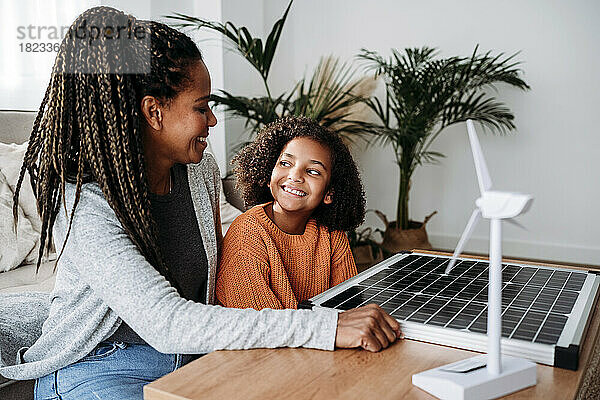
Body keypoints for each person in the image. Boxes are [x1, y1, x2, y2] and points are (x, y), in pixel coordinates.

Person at [0, 7, 401, 400]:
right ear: (154, 112)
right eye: (201, 106)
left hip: (193, 356)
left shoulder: (200, 171)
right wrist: (326, 327)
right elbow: (166, 321)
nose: (211, 121)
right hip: (99, 367)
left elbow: (205, 300)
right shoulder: (84, 202)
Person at [216, 117, 364, 310]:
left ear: (329, 193)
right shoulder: (247, 234)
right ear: (268, 175)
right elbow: (265, 329)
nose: (295, 175)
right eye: (286, 163)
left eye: (313, 171)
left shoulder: (332, 236)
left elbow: (350, 309)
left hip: (315, 338)